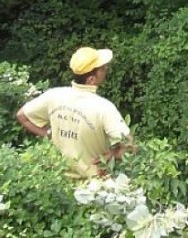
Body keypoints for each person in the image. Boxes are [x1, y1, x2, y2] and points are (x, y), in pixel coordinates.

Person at [16, 46, 133, 179]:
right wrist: (111, 155)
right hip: (93, 187)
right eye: (101, 68)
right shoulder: (104, 108)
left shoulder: (54, 96)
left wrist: (48, 134)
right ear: (91, 80)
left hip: (59, 181)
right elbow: (130, 147)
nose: (106, 69)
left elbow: (22, 116)